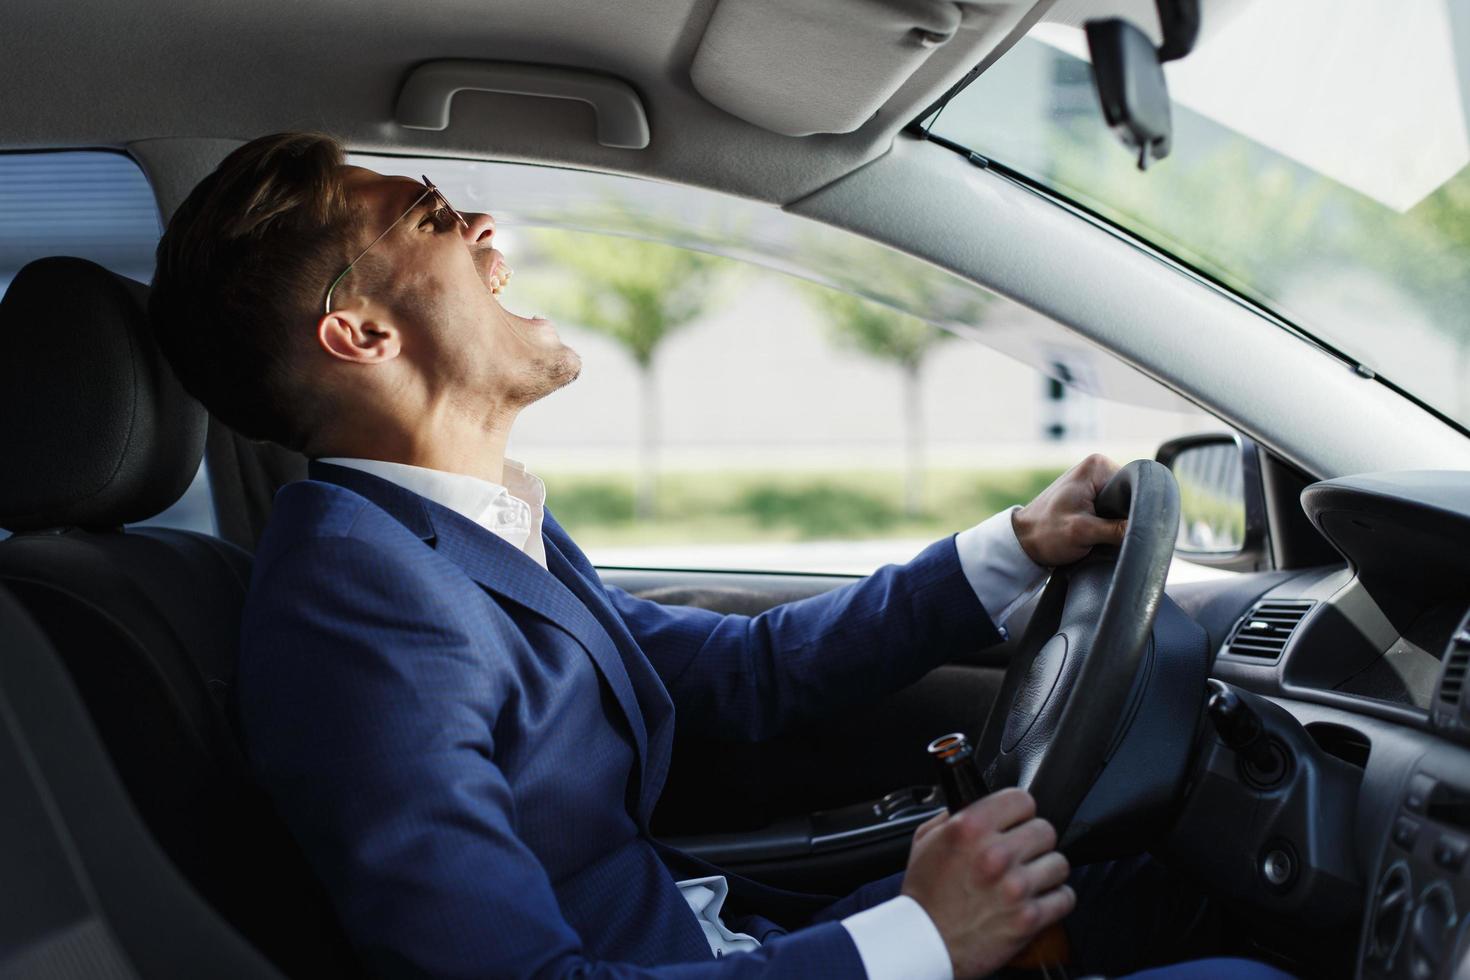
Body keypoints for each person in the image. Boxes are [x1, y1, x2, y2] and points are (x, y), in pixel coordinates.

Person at [149, 132, 1292, 980]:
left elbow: (743, 670)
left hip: (712, 940)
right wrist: (915, 938)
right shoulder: (355, 608)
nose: (488, 234)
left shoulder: (451, 533)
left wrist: (1010, 547)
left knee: (1155, 888)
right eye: (437, 214)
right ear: (360, 332)